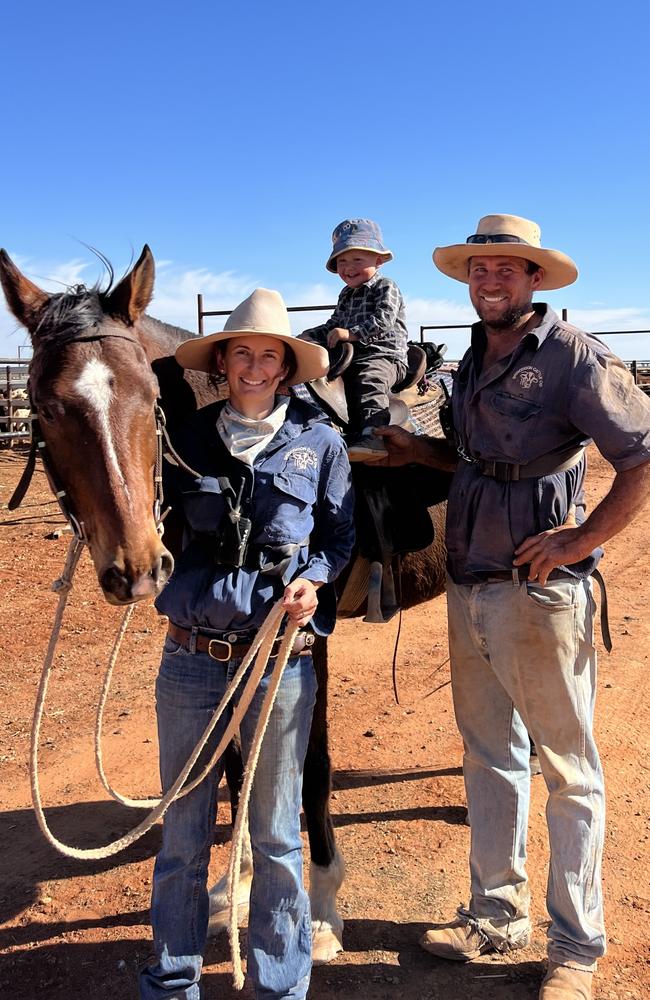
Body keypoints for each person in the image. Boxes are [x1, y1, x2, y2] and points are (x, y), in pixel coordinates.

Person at [374, 215, 650, 1000]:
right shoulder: (472, 357)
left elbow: (641, 455)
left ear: (533, 279)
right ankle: (495, 916)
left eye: (506, 269)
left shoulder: (571, 356)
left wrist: (584, 537)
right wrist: (416, 450)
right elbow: (471, 458)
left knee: (568, 768)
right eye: (479, 269)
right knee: (489, 754)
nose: (490, 281)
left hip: (537, 590)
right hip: (470, 579)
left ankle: (576, 950)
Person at [139, 288, 355, 1000]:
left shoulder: (320, 443)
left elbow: (336, 537)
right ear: (224, 363)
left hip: (278, 664)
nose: (255, 367)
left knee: (275, 837)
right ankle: (172, 982)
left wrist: (316, 581)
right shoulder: (187, 438)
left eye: (270, 356)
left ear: (287, 367)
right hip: (189, 658)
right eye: (243, 354)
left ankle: (280, 987)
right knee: (182, 839)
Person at [301, 218, 408, 462]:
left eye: (357, 259)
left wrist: (351, 334)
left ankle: (374, 434)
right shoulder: (346, 294)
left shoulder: (385, 286)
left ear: (379, 260)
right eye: (342, 261)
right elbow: (333, 324)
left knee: (370, 379)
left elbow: (384, 319)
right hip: (353, 355)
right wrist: (308, 336)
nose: (348, 267)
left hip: (383, 355)